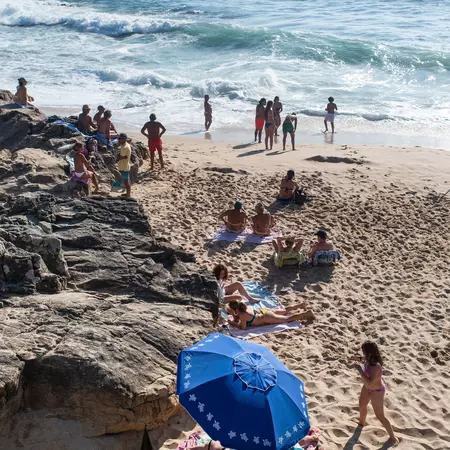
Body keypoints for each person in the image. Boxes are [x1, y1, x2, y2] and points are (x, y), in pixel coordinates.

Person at [350, 342, 398, 444]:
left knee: (380, 416)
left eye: (364, 352)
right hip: (367, 387)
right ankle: (361, 423)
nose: (363, 354)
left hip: (377, 391)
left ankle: (393, 438)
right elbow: (362, 359)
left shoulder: (376, 366)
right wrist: (355, 358)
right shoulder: (368, 359)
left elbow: (369, 384)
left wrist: (359, 370)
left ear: (370, 353)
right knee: (362, 405)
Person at [228, 300, 315, 330]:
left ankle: (307, 313)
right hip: (263, 311)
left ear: (234, 309)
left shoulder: (242, 315)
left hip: (266, 318)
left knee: (287, 319)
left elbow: (243, 328)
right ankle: (300, 305)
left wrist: (232, 324)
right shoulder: (243, 306)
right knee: (284, 310)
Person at [116, 133, 132, 197]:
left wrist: (117, 156)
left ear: (124, 139)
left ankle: (128, 194)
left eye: (120, 139)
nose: (119, 140)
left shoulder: (125, 148)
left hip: (124, 167)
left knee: (126, 182)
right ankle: (127, 193)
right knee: (126, 180)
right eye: (119, 139)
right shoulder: (126, 145)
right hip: (125, 165)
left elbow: (121, 157)